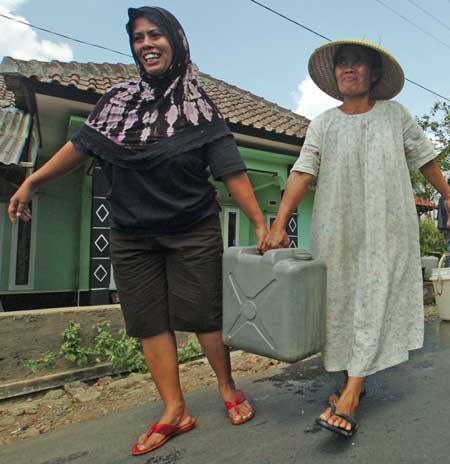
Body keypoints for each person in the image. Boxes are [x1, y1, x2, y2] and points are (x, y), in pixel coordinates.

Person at [8, 7, 264, 455]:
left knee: (204, 315)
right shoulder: (117, 100)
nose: (146, 43)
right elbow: (79, 147)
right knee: (148, 321)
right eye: (139, 37)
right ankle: (174, 409)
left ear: (177, 42)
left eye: (156, 35)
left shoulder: (200, 105)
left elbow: (231, 169)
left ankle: (226, 387)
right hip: (131, 233)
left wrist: (261, 222)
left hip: (192, 227)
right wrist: (32, 180)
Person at [261, 40, 450, 437]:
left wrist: (449, 194)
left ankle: (352, 393)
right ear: (335, 76)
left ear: (373, 74)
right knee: (339, 302)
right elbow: (302, 172)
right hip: (336, 230)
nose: (349, 69)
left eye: (358, 64)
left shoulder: (395, 115)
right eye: (342, 64)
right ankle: (352, 377)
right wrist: (279, 222)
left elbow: (424, 158)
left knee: (373, 298)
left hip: (387, 228)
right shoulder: (323, 124)